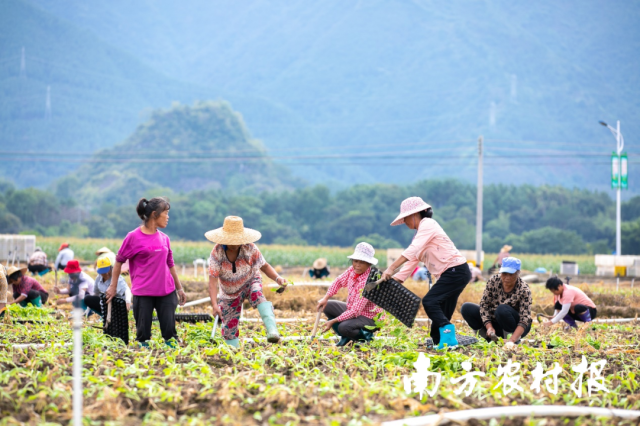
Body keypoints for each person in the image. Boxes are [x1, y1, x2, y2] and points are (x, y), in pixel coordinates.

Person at [382, 196, 470, 350]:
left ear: (415, 214)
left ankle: (449, 336)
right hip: (451, 274)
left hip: (455, 271)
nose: (405, 222)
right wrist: (395, 280)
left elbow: (413, 249)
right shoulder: (421, 234)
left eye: (406, 218)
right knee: (438, 327)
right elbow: (412, 260)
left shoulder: (428, 224)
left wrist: (391, 268)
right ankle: (442, 344)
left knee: (430, 301)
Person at [106, 197, 186, 348]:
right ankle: (145, 366)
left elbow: (170, 264)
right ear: (155, 214)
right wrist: (113, 286)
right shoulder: (133, 237)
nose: (168, 217)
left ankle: (175, 364)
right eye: (166, 213)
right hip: (143, 294)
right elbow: (119, 261)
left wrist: (179, 288)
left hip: (166, 291)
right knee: (143, 335)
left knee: (170, 333)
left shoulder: (165, 239)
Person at [206, 216, 287, 348]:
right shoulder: (217, 253)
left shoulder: (249, 248)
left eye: (237, 240)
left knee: (256, 293)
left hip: (250, 281)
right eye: (231, 241)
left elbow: (264, 266)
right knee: (229, 328)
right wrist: (215, 304)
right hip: (228, 293)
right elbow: (212, 282)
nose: (235, 244)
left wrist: (278, 279)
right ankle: (233, 352)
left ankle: (272, 330)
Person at [317, 242, 383, 346]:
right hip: (354, 310)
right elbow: (338, 281)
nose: (357, 265)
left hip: (370, 317)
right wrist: (326, 297)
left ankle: (366, 337)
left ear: (369, 264)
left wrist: (333, 321)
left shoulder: (369, 282)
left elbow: (355, 311)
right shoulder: (352, 270)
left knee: (343, 327)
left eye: (362, 262)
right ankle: (346, 337)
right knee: (327, 306)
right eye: (355, 261)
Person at [461, 257, 532, 346]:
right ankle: (487, 339)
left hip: (516, 327)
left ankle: (510, 341)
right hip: (496, 323)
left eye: (511, 274)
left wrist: (512, 340)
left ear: (518, 273)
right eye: (504, 274)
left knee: (502, 309)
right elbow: (484, 305)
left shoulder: (523, 289)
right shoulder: (493, 281)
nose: (507, 277)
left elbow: (524, 319)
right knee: (467, 308)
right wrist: (489, 327)